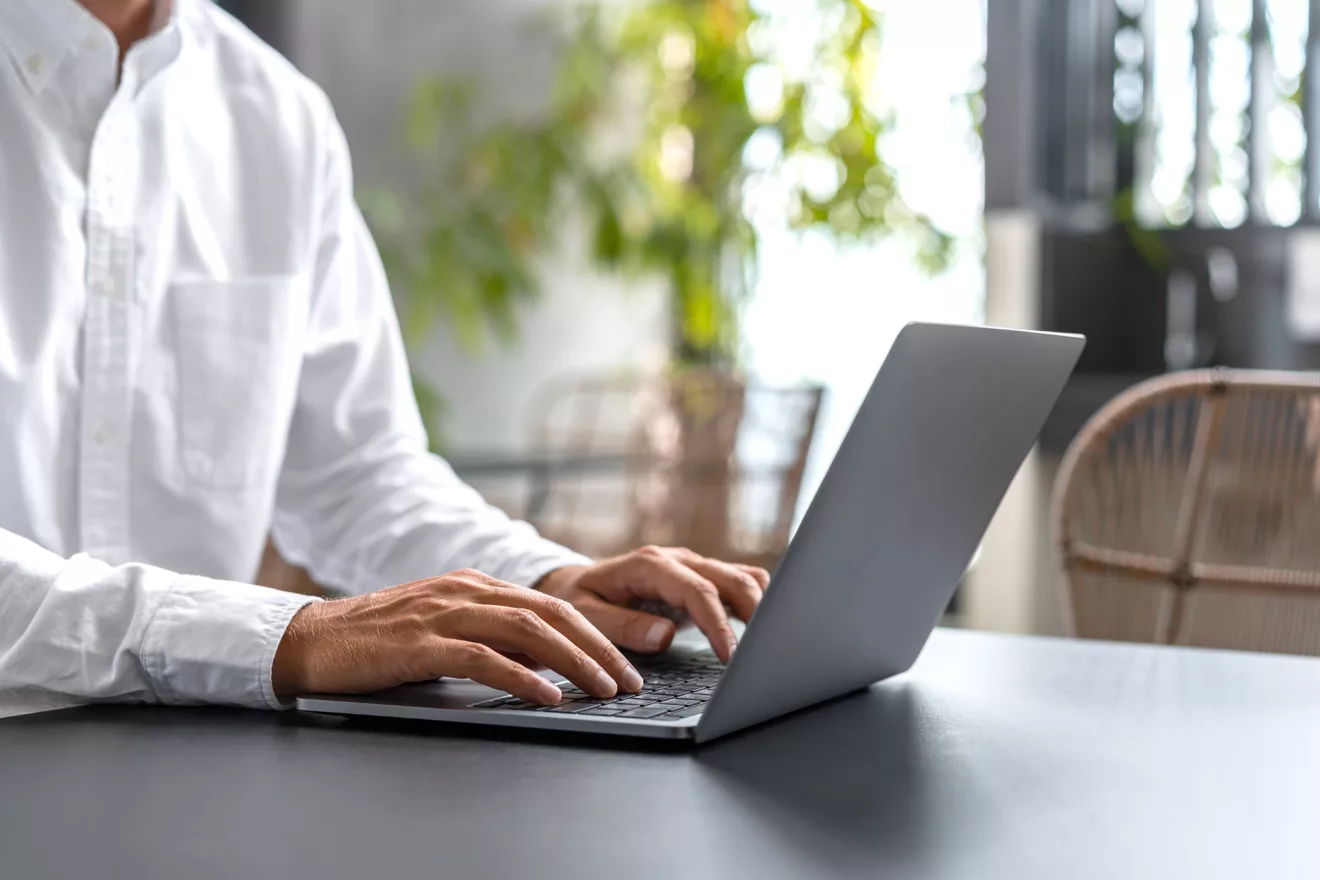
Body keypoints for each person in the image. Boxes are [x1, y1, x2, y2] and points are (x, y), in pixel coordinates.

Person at [0, 0, 770, 712]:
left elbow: (358, 476)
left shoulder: (277, 118)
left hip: (188, 768)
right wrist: (283, 637)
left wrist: (544, 580)